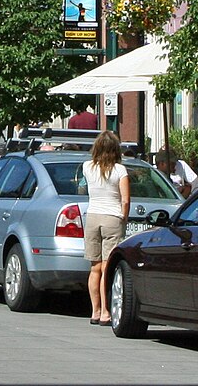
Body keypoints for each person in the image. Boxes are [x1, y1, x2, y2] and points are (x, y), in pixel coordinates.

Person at [81, 130, 131, 326]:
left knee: (95, 268)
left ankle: (94, 311)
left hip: (92, 217)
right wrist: (123, 219)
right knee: (107, 267)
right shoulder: (120, 171)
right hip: (112, 218)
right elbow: (125, 200)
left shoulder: (87, 167)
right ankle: (105, 312)